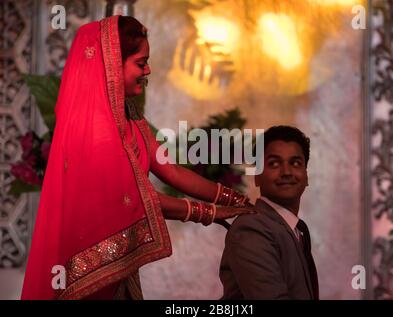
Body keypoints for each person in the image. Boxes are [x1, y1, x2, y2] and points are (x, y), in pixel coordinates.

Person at [21, 15, 254, 300]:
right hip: (91, 278)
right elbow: (138, 199)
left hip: (119, 268)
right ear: (111, 66)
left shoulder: (128, 117)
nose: (148, 70)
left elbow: (172, 171)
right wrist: (208, 213)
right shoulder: (94, 132)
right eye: (141, 63)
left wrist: (235, 200)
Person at [219, 125, 319, 300]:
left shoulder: (297, 229)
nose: (287, 172)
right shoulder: (251, 228)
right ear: (257, 176)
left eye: (295, 163)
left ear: (306, 176)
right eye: (274, 163)